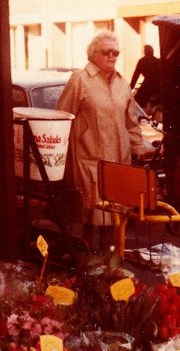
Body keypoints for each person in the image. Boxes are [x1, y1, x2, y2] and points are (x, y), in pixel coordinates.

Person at [56, 31, 154, 250]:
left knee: (114, 214)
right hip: (89, 158)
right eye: (106, 52)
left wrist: (138, 147)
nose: (111, 56)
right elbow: (63, 116)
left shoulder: (122, 83)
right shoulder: (80, 80)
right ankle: (88, 259)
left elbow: (131, 122)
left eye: (115, 53)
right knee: (93, 214)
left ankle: (109, 261)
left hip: (118, 159)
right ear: (93, 54)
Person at [130, 44, 161, 115]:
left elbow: (135, 75)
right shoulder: (157, 61)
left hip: (147, 86)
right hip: (157, 86)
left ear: (145, 52)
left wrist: (130, 87)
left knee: (136, 102)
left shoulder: (142, 61)